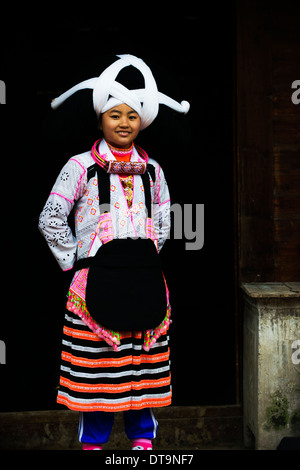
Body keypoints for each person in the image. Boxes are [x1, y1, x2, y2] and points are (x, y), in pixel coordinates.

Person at [39, 54, 189, 450]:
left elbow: (163, 221)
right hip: (94, 288)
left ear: (143, 121)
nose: (123, 123)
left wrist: (140, 256)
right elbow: (50, 217)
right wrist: (80, 262)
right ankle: (94, 445)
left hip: (143, 281)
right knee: (99, 380)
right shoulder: (79, 166)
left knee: (140, 375)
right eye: (114, 114)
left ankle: (143, 444)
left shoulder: (153, 170)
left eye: (132, 116)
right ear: (100, 119)